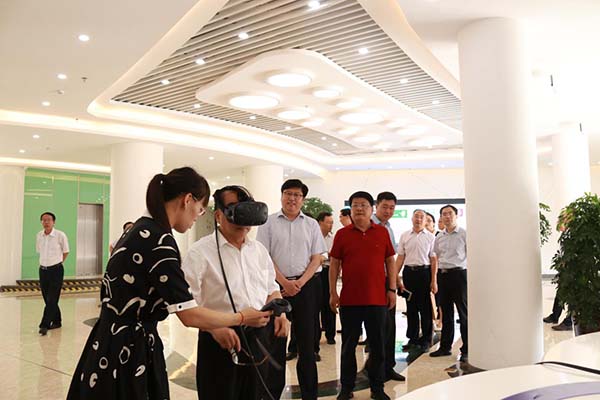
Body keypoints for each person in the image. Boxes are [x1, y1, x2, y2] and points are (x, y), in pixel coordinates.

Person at [67, 167, 271, 400]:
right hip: (129, 349)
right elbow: (188, 313)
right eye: (200, 209)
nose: (197, 217)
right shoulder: (160, 241)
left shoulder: (140, 228)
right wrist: (241, 317)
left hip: (109, 341)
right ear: (187, 200)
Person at [182, 185, 290, 400]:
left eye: (246, 208)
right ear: (218, 215)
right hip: (220, 338)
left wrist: (280, 313)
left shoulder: (258, 250)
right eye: (234, 207)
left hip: (260, 336)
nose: (242, 215)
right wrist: (214, 328)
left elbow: (271, 289)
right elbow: (188, 305)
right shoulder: (199, 252)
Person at [257, 179, 326, 400]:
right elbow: (264, 257)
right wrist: (285, 283)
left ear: (303, 199)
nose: (292, 198)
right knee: (275, 344)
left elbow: (317, 258)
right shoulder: (267, 223)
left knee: (307, 346)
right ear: (281, 196)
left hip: (306, 288)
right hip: (276, 289)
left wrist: (299, 283)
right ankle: (272, 394)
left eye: (297, 195)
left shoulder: (312, 225)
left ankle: (309, 395)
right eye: (288, 193)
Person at [330, 191, 397, 400]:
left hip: (377, 299)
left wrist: (392, 289)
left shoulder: (382, 232)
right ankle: (346, 388)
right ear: (350, 209)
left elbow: (390, 261)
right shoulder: (342, 234)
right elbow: (334, 264)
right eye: (355, 205)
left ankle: (377, 388)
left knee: (378, 346)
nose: (359, 208)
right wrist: (332, 292)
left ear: (371, 209)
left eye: (364, 205)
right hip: (350, 300)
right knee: (348, 347)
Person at [371, 191, 404, 381]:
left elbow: (390, 259)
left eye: (392, 208)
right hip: (372, 282)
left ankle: (388, 367)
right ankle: (376, 369)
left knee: (389, 326)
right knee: (377, 327)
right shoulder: (369, 225)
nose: (388, 211)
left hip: (387, 281)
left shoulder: (389, 228)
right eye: (385, 207)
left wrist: (395, 280)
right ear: (376, 206)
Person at [430, 205, 468, 362]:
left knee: (463, 313)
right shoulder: (439, 236)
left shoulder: (464, 234)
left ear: (456, 215)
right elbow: (436, 256)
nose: (447, 216)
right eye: (444, 214)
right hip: (443, 276)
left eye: (450, 213)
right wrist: (435, 278)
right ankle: (445, 347)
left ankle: (466, 349)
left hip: (460, 275)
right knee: (446, 313)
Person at [396, 210, 438, 353]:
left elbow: (433, 260)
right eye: (416, 216)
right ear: (412, 218)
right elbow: (400, 257)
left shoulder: (431, 237)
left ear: (425, 221)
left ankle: (426, 339)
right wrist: (394, 276)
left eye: (421, 217)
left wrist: (434, 280)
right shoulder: (405, 235)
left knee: (425, 308)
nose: (418, 219)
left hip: (424, 274)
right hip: (409, 274)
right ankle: (412, 339)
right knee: (411, 308)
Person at [36, 212, 69, 336]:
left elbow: (66, 251)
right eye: (44, 220)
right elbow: (39, 251)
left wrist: (58, 263)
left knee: (52, 298)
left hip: (56, 270)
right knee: (47, 298)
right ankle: (57, 321)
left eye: (49, 220)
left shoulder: (60, 235)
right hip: (43, 270)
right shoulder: (39, 235)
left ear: (53, 222)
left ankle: (44, 325)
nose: (46, 222)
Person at [317, 211, 336, 345]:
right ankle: (316, 335)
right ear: (320, 223)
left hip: (328, 271)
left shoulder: (333, 238)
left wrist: (325, 256)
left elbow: (335, 256)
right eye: (328, 222)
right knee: (315, 303)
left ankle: (330, 335)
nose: (331, 225)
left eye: (332, 223)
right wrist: (327, 255)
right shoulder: (314, 236)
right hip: (316, 272)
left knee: (329, 302)